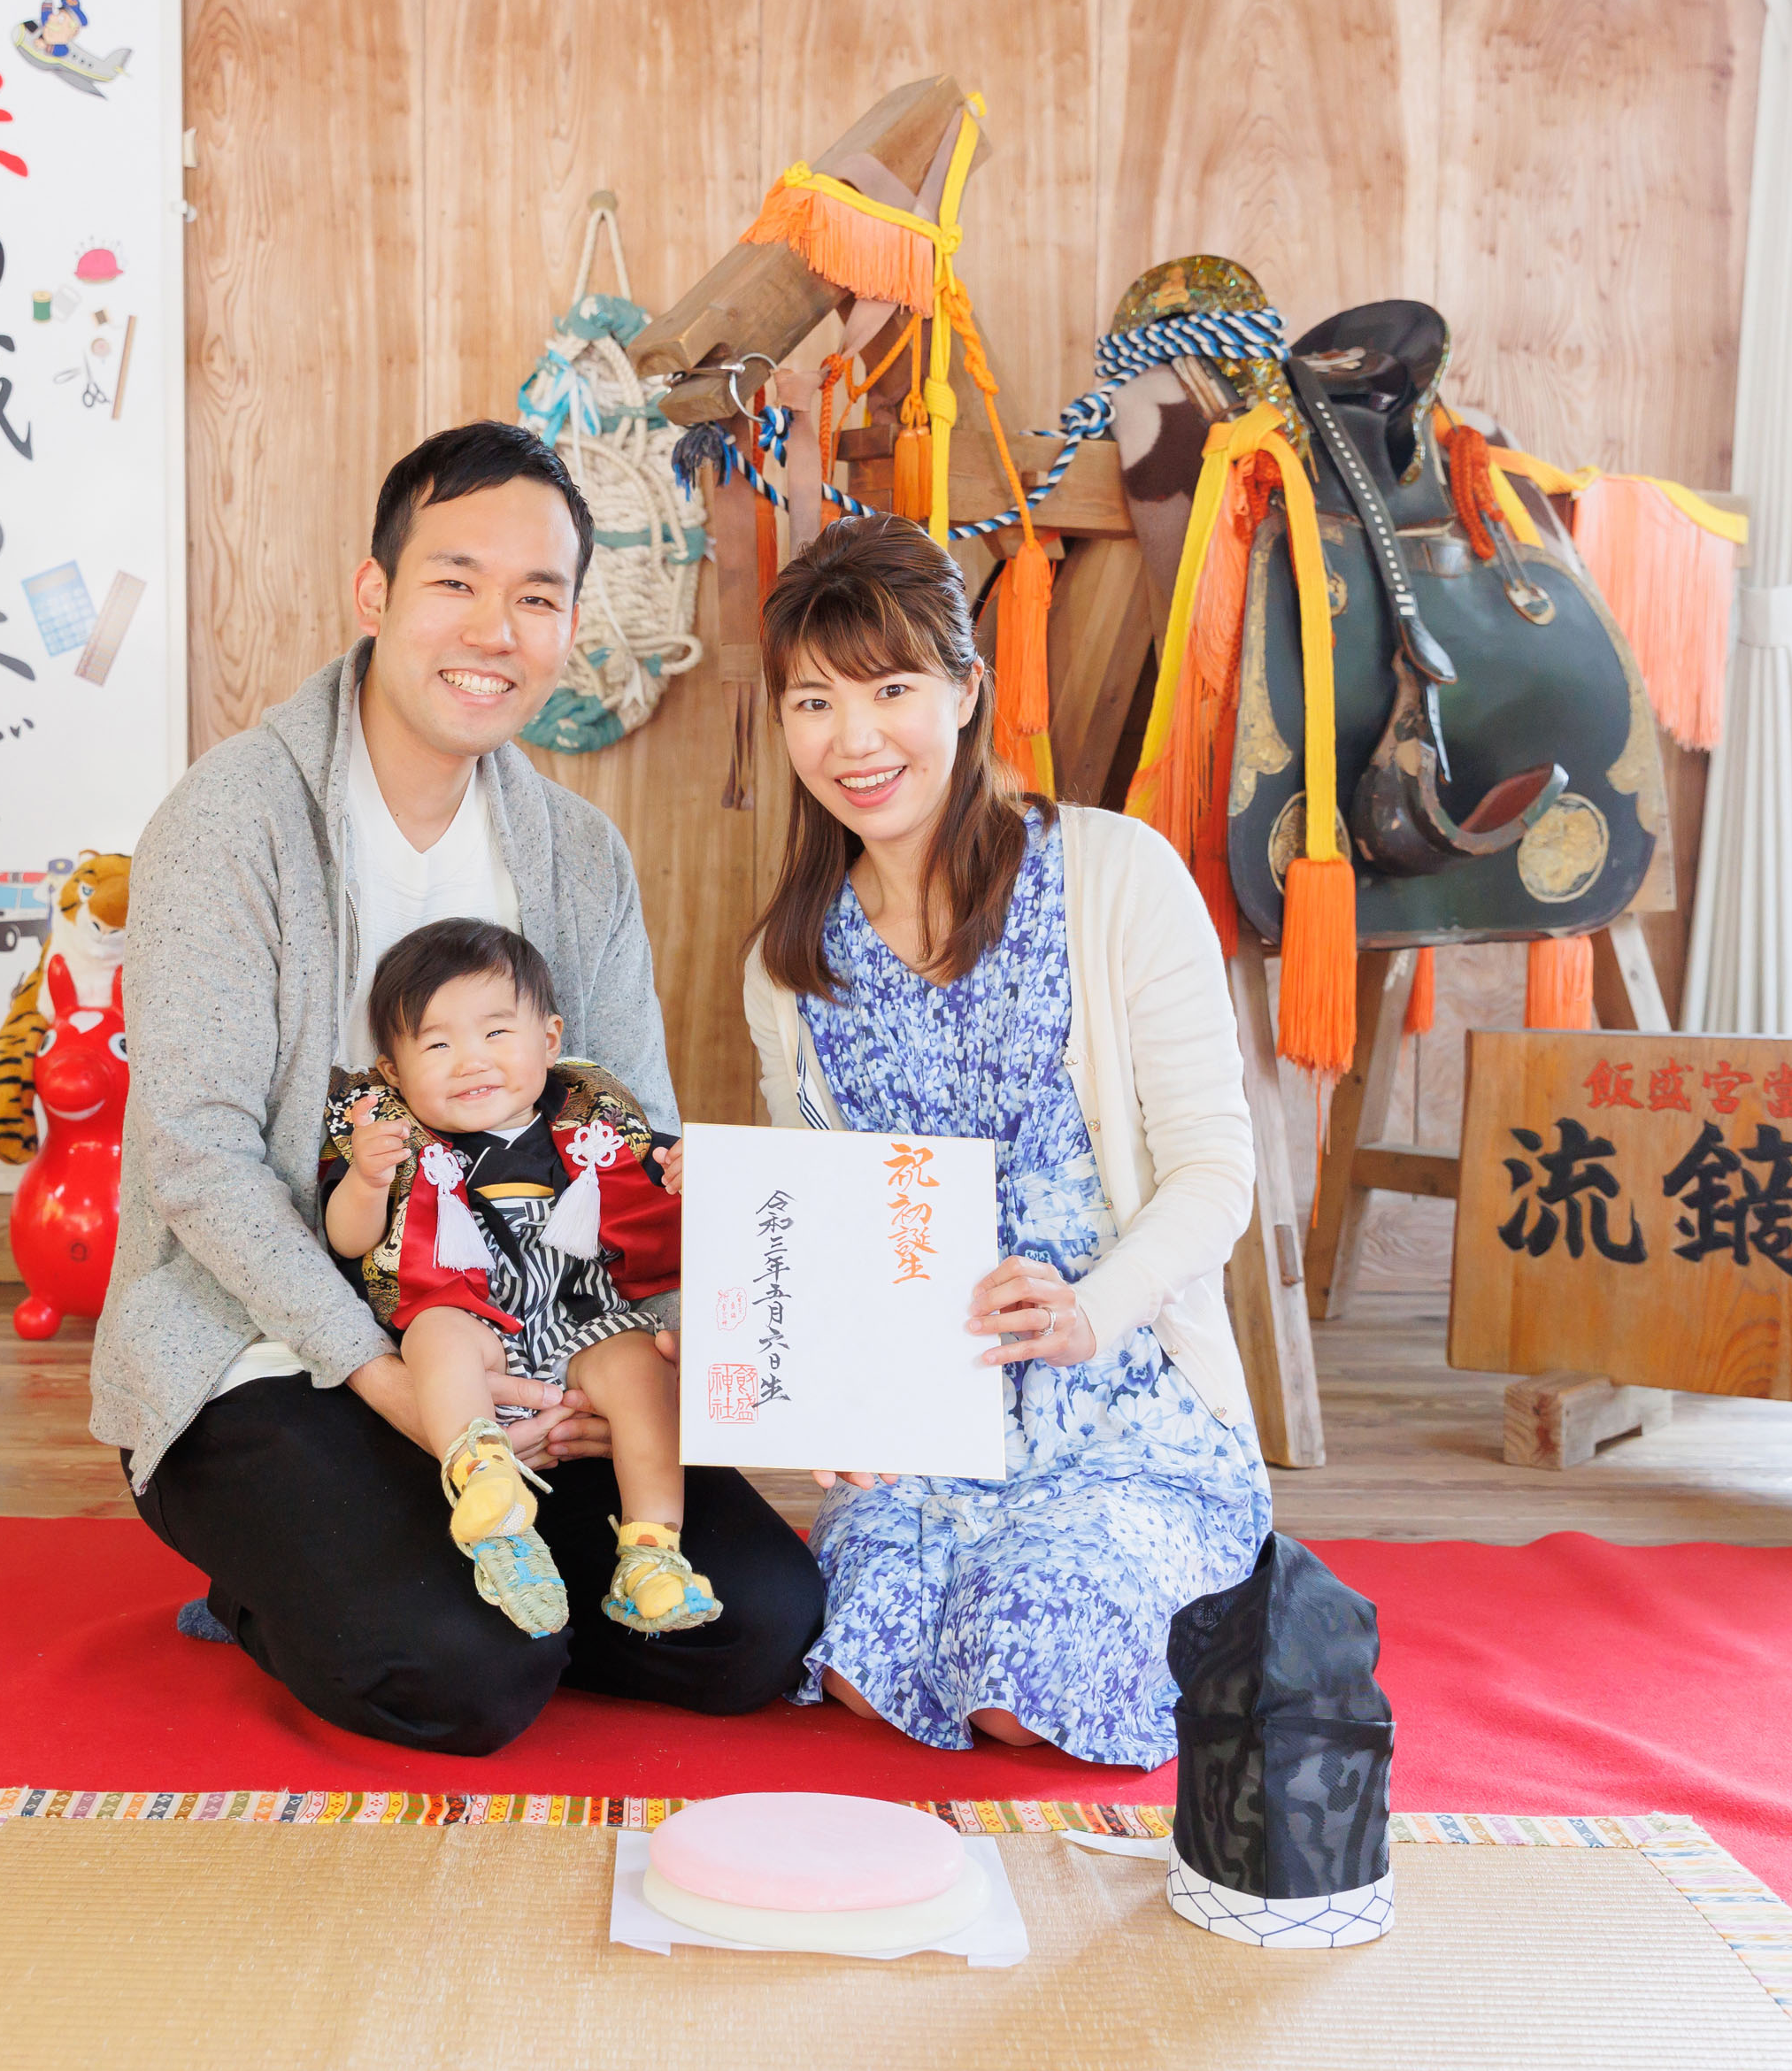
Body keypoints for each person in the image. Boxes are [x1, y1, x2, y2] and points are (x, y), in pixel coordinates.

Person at [98, 420, 821, 1755]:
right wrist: (383, 1377)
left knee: (760, 1629)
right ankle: (275, 1577)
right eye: (455, 582)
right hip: (283, 1353)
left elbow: (633, 1137)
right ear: (375, 598)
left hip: (536, 1338)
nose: (495, 629)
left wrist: (624, 1375)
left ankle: (475, 1566)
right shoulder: (230, 821)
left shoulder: (577, 856)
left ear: (567, 627)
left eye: (537, 597)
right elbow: (195, 1153)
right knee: (464, 1677)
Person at [741, 514, 1273, 1764]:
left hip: (1126, 1411)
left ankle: (1207, 1596)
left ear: (967, 691)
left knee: (1015, 1681)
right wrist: (823, 1399)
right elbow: (823, 1237)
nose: (855, 739)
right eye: (813, 702)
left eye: (892, 689)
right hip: (930, 1431)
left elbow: (1214, 1170)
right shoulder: (789, 964)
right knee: (868, 1670)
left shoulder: (1116, 877)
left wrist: (1098, 1306)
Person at [319, 918, 708, 1642]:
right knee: (435, 1336)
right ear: (394, 1072)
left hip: (581, 1315)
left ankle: (653, 1551)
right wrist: (369, 1182)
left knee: (644, 1368)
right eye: (437, 1044)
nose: (471, 1061)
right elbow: (347, 1241)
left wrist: (693, 1176)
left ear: (551, 1040)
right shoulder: (391, 1140)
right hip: (473, 1318)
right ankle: (484, 1481)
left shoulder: (596, 1124)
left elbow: (665, 1205)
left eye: (497, 1034)